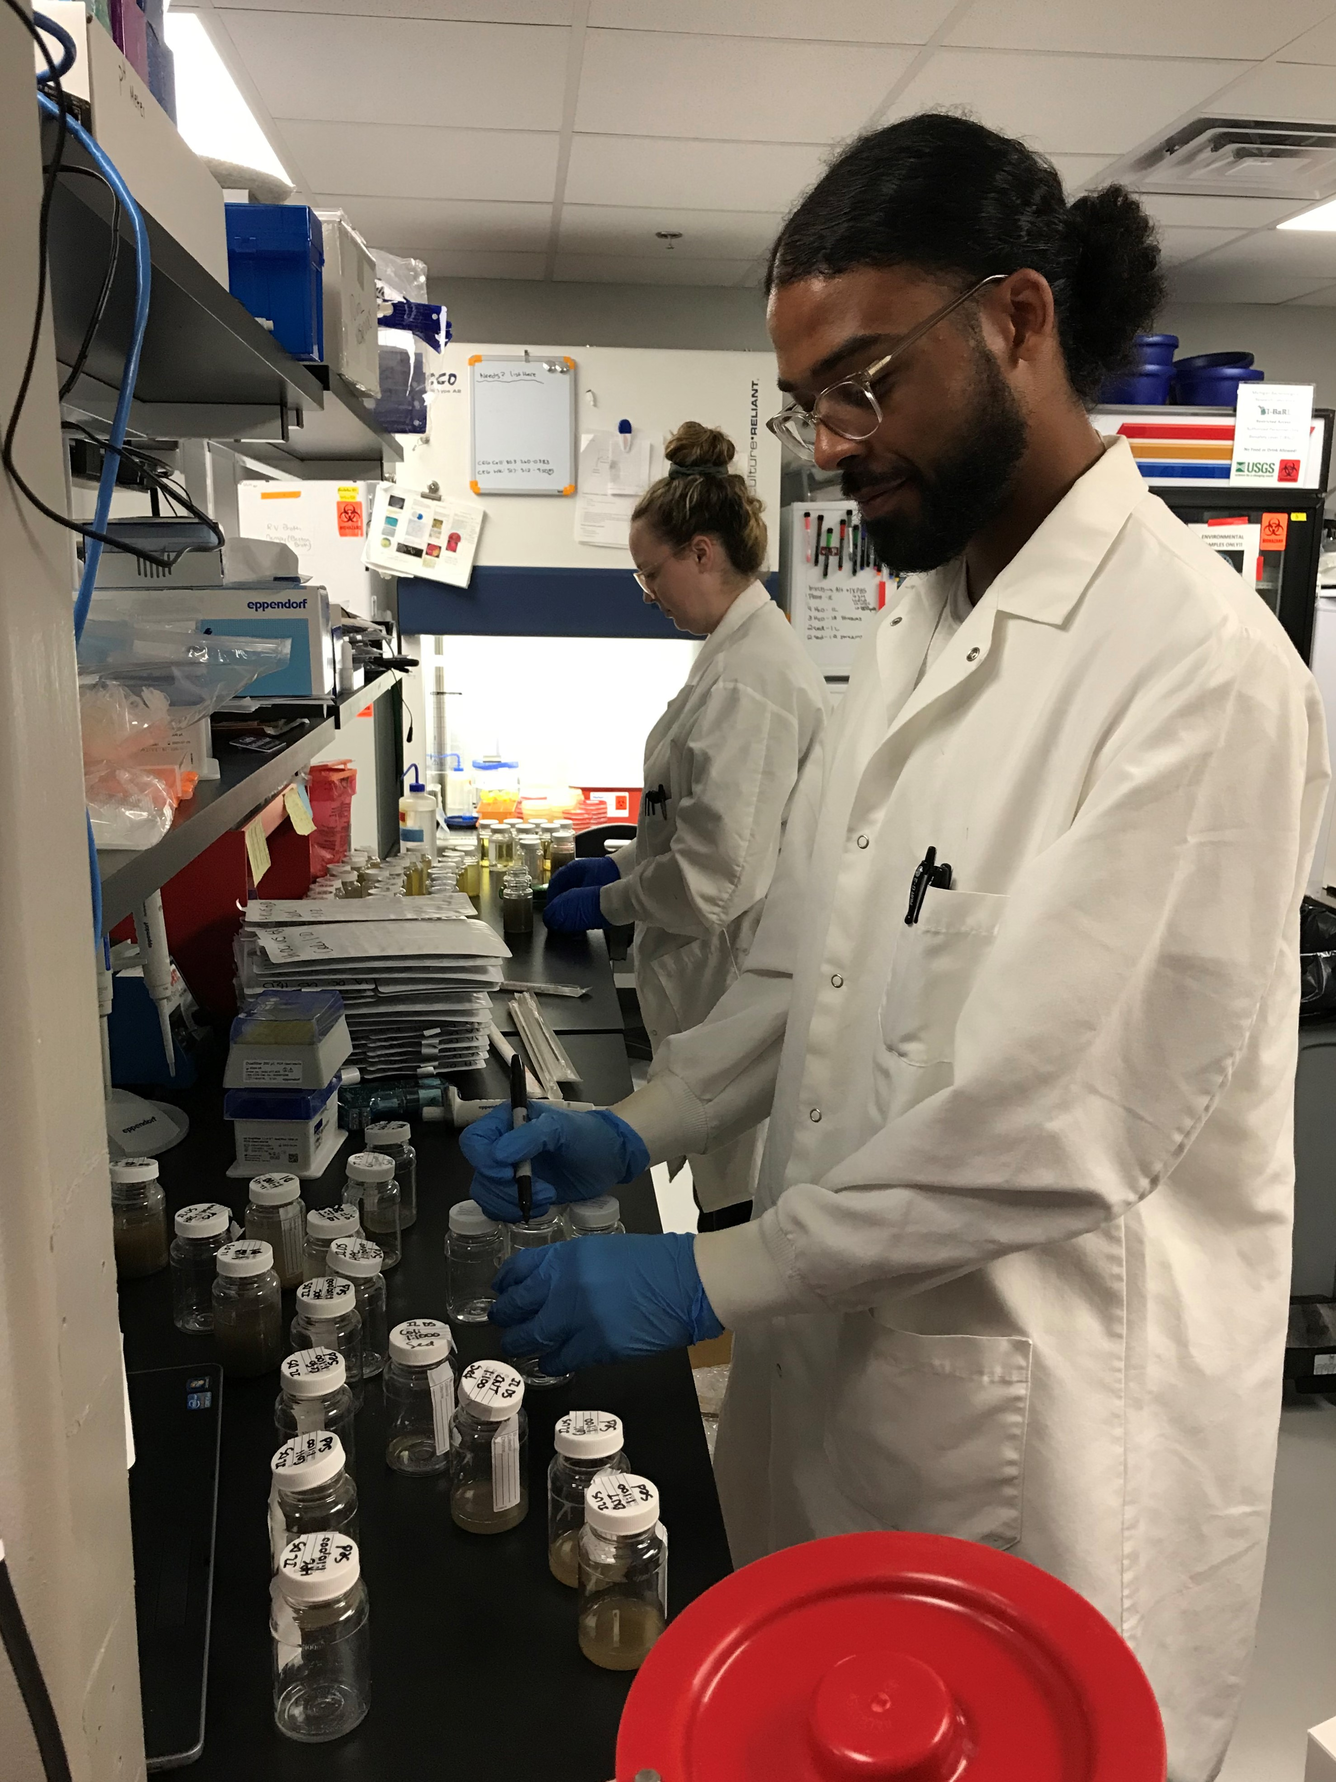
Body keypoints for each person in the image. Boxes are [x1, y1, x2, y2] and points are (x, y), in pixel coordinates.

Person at [463, 114, 1329, 1780]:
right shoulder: (919, 621)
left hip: (1042, 1445)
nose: (836, 442)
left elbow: (1043, 1130)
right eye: (811, 405)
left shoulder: (1198, 676)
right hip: (849, 1387)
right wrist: (642, 1123)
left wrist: (698, 1271)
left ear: (1017, 320)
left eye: (865, 384)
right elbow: (811, 962)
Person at [542, 422, 828, 1227]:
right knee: (720, 1187)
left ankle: (725, 1343)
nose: (648, 592)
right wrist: (626, 863)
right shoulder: (733, 655)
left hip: (736, 986)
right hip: (712, 982)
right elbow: (698, 823)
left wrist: (612, 901)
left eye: (651, 573)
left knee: (736, 1211)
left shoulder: (752, 682)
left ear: (702, 552)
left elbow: (716, 880)